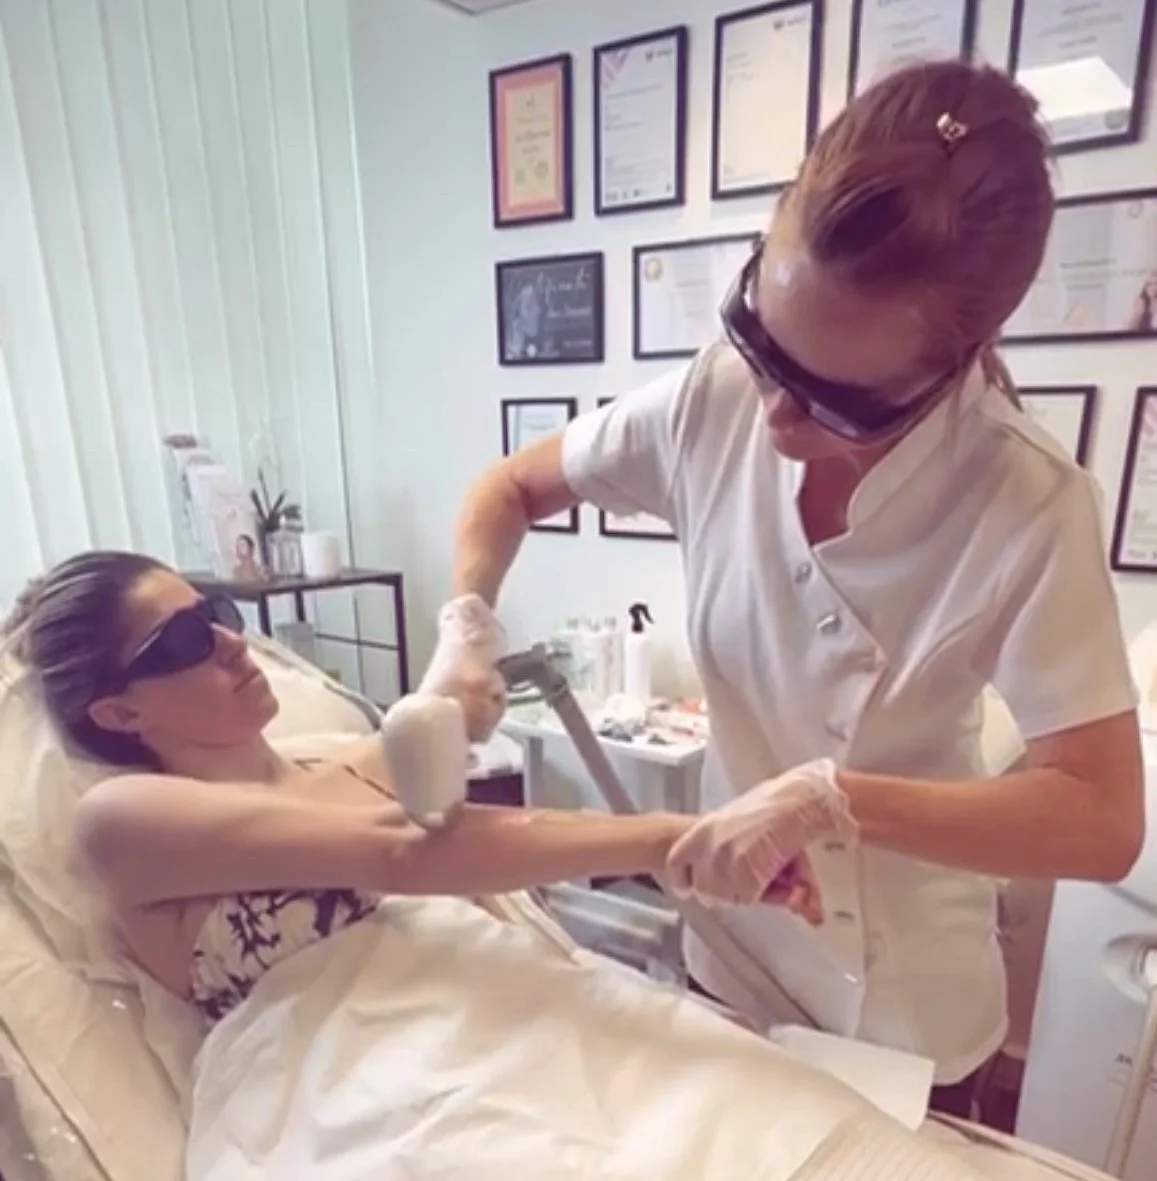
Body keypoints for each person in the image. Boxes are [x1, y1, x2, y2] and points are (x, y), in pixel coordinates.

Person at [420, 60, 1145, 1118]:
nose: (772, 419)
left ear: (960, 359)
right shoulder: (709, 399)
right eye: (760, 343)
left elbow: (1099, 820)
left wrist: (829, 796)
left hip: (906, 1015)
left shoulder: (1024, 501)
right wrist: (465, 625)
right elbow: (510, 486)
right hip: (732, 940)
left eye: (834, 403)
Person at [3, 551, 700, 1019]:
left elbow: (443, 700)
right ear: (121, 712)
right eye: (183, 641)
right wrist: (670, 841)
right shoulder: (122, 819)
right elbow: (401, 848)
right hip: (364, 1100)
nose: (233, 644)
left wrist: (465, 637)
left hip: (507, 1015)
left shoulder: (343, 762)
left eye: (216, 613)